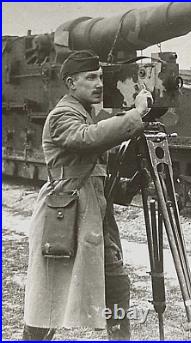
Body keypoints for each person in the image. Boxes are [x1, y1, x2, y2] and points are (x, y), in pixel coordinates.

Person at [22, 49, 153, 340]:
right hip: (64, 219)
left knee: (117, 285)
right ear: (71, 83)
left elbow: (99, 163)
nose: (98, 83)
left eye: (101, 77)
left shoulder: (88, 114)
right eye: (90, 77)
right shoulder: (62, 116)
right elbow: (87, 138)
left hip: (93, 219)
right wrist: (135, 114)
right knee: (50, 297)